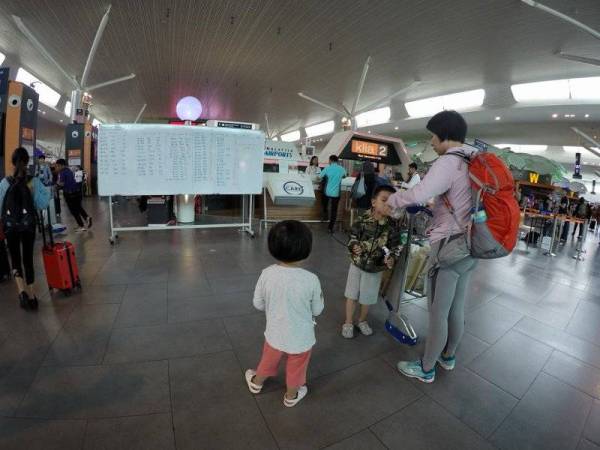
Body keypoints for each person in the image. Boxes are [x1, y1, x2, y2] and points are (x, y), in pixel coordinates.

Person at [385, 110, 477, 383]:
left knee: (438, 309)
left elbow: (420, 192)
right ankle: (447, 356)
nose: (432, 143)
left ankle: (426, 368)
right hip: (473, 242)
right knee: (456, 305)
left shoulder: (450, 161)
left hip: (449, 244)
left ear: (445, 135)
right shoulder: (475, 159)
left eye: (433, 137)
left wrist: (393, 201)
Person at [244, 220, 324, 408]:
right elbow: (317, 310)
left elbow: (257, 303)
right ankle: (291, 396)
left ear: (273, 247)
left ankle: (256, 383)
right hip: (301, 336)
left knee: (269, 359)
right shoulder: (312, 280)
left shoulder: (266, 274)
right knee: (297, 366)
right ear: (307, 249)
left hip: (275, 332)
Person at [342, 185, 399, 339]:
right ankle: (348, 322)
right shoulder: (362, 220)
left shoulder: (392, 227)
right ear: (374, 202)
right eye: (384, 200)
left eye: (392, 202)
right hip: (357, 264)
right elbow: (352, 237)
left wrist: (391, 257)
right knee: (351, 294)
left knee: (367, 297)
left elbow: (394, 247)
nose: (388, 205)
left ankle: (362, 320)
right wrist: (354, 246)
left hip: (375, 269)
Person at [0, 147, 49, 310]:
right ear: (28, 162)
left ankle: (22, 292)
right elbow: (43, 204)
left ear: (12, 163)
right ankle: (33, 295)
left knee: (15, 258)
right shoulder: (33, 181)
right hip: (28, 226)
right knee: (28, 259)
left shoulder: (4, 182)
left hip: (10, 227)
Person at [56, 159, 92, 232]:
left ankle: (81, 226)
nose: (57, 167)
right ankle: (87, 218)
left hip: (69, 194)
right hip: (78, 192)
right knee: (79, 207)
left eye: (58, 166)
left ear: (61, 165)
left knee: (74, 211)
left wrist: (57, 183)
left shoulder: (62, 172)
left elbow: (62, 183)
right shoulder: (71, 170)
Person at [319, 155, 347, 233]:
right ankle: (330, 228)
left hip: (326, 192)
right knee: (334, 210)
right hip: (336, 193)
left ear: (330, 160)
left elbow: (319, 177)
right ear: (337, 161)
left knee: (324, 204)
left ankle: (325, 215)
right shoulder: (341, 169)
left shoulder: (327, 168)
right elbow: (345, 176)